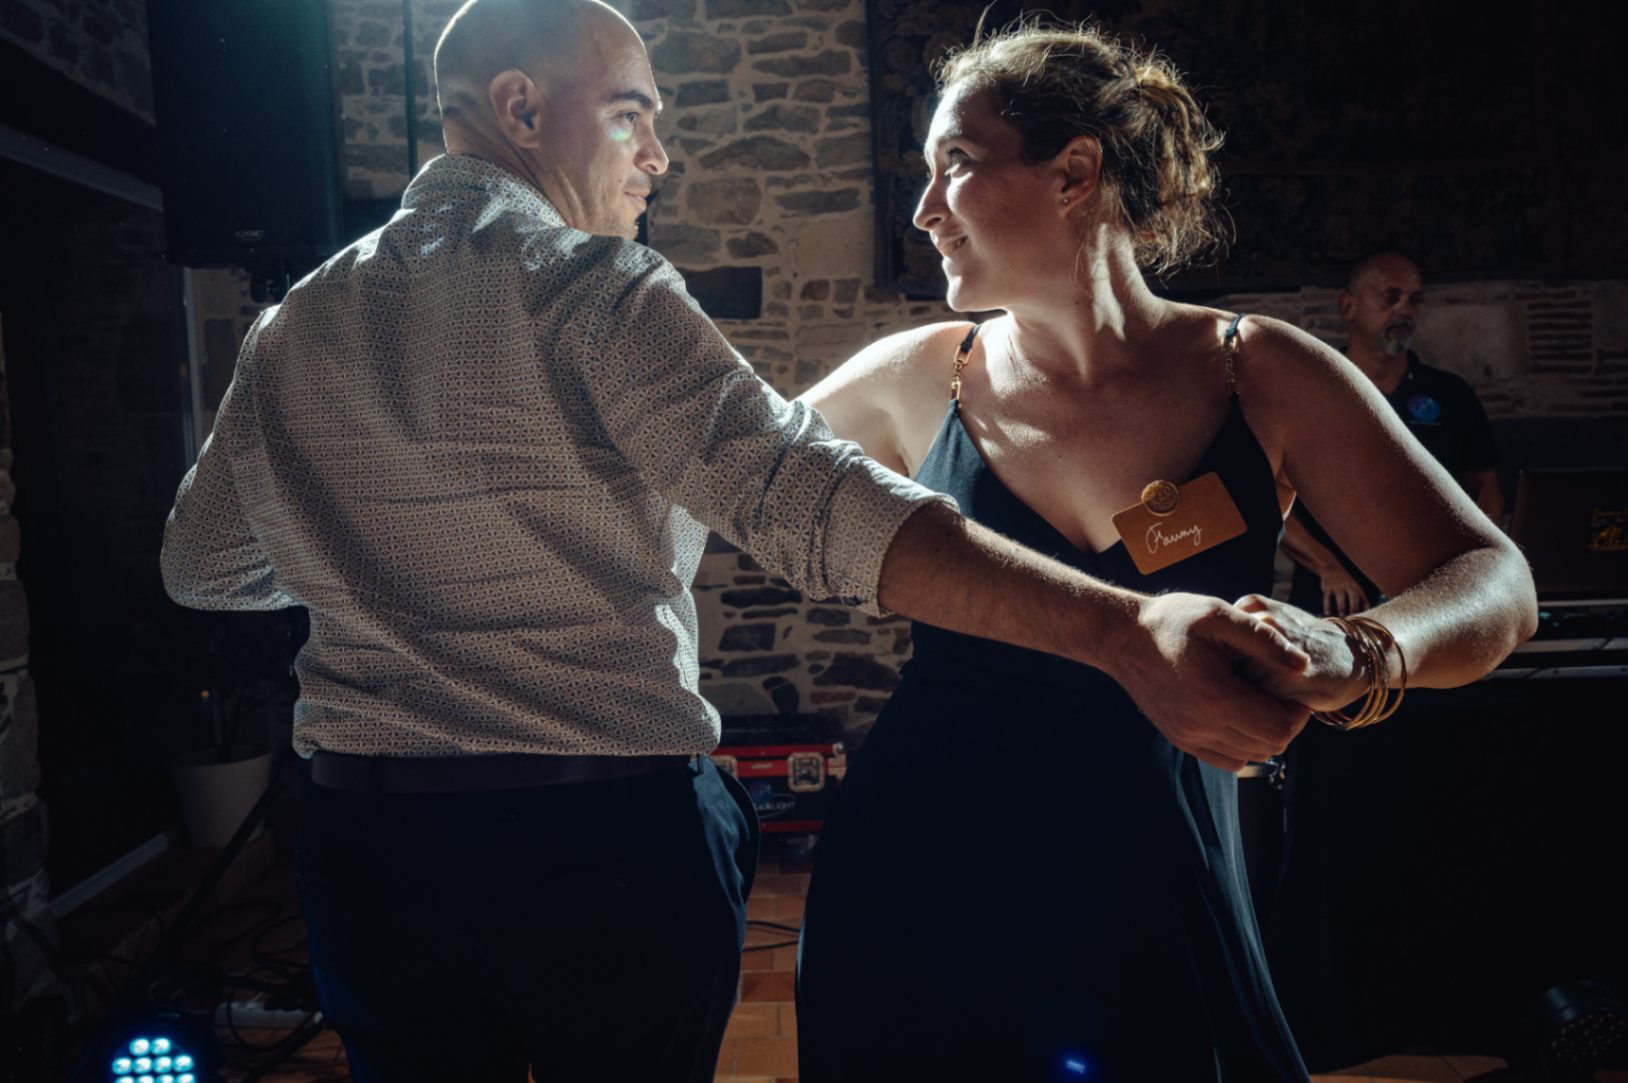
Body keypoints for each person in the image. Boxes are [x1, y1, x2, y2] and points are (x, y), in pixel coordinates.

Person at [158, 2, 1321, 1080]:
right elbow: (808, 503)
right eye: (631, 118)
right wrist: (1125, 627)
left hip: (367, 845)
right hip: (597, 841)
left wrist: (360, 548)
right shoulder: (595, 288)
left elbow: (203, 567)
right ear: (518, 110)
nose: (656, 156)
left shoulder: (292, 321)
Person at [793, 21, 1536, 1083]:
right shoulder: (912, 377)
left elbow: (1495, 585)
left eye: (953, 165)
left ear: (1075, 172)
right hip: (922, 862)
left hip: (1161, 869)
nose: (922, 210)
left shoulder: (1259, 371)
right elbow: (720, 487)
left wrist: (1358, 650)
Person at [1283, 252, 1504, 616]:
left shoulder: (1450, 394)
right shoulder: (1309, 393)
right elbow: (1270, 502)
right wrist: (1327, 569)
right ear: (1348, 306)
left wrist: (1468, 568)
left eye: (1414, 300)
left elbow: (1487, 488)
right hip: (1334, 603)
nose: (1405, 311)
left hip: (1434, 601)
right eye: (1390, 297)